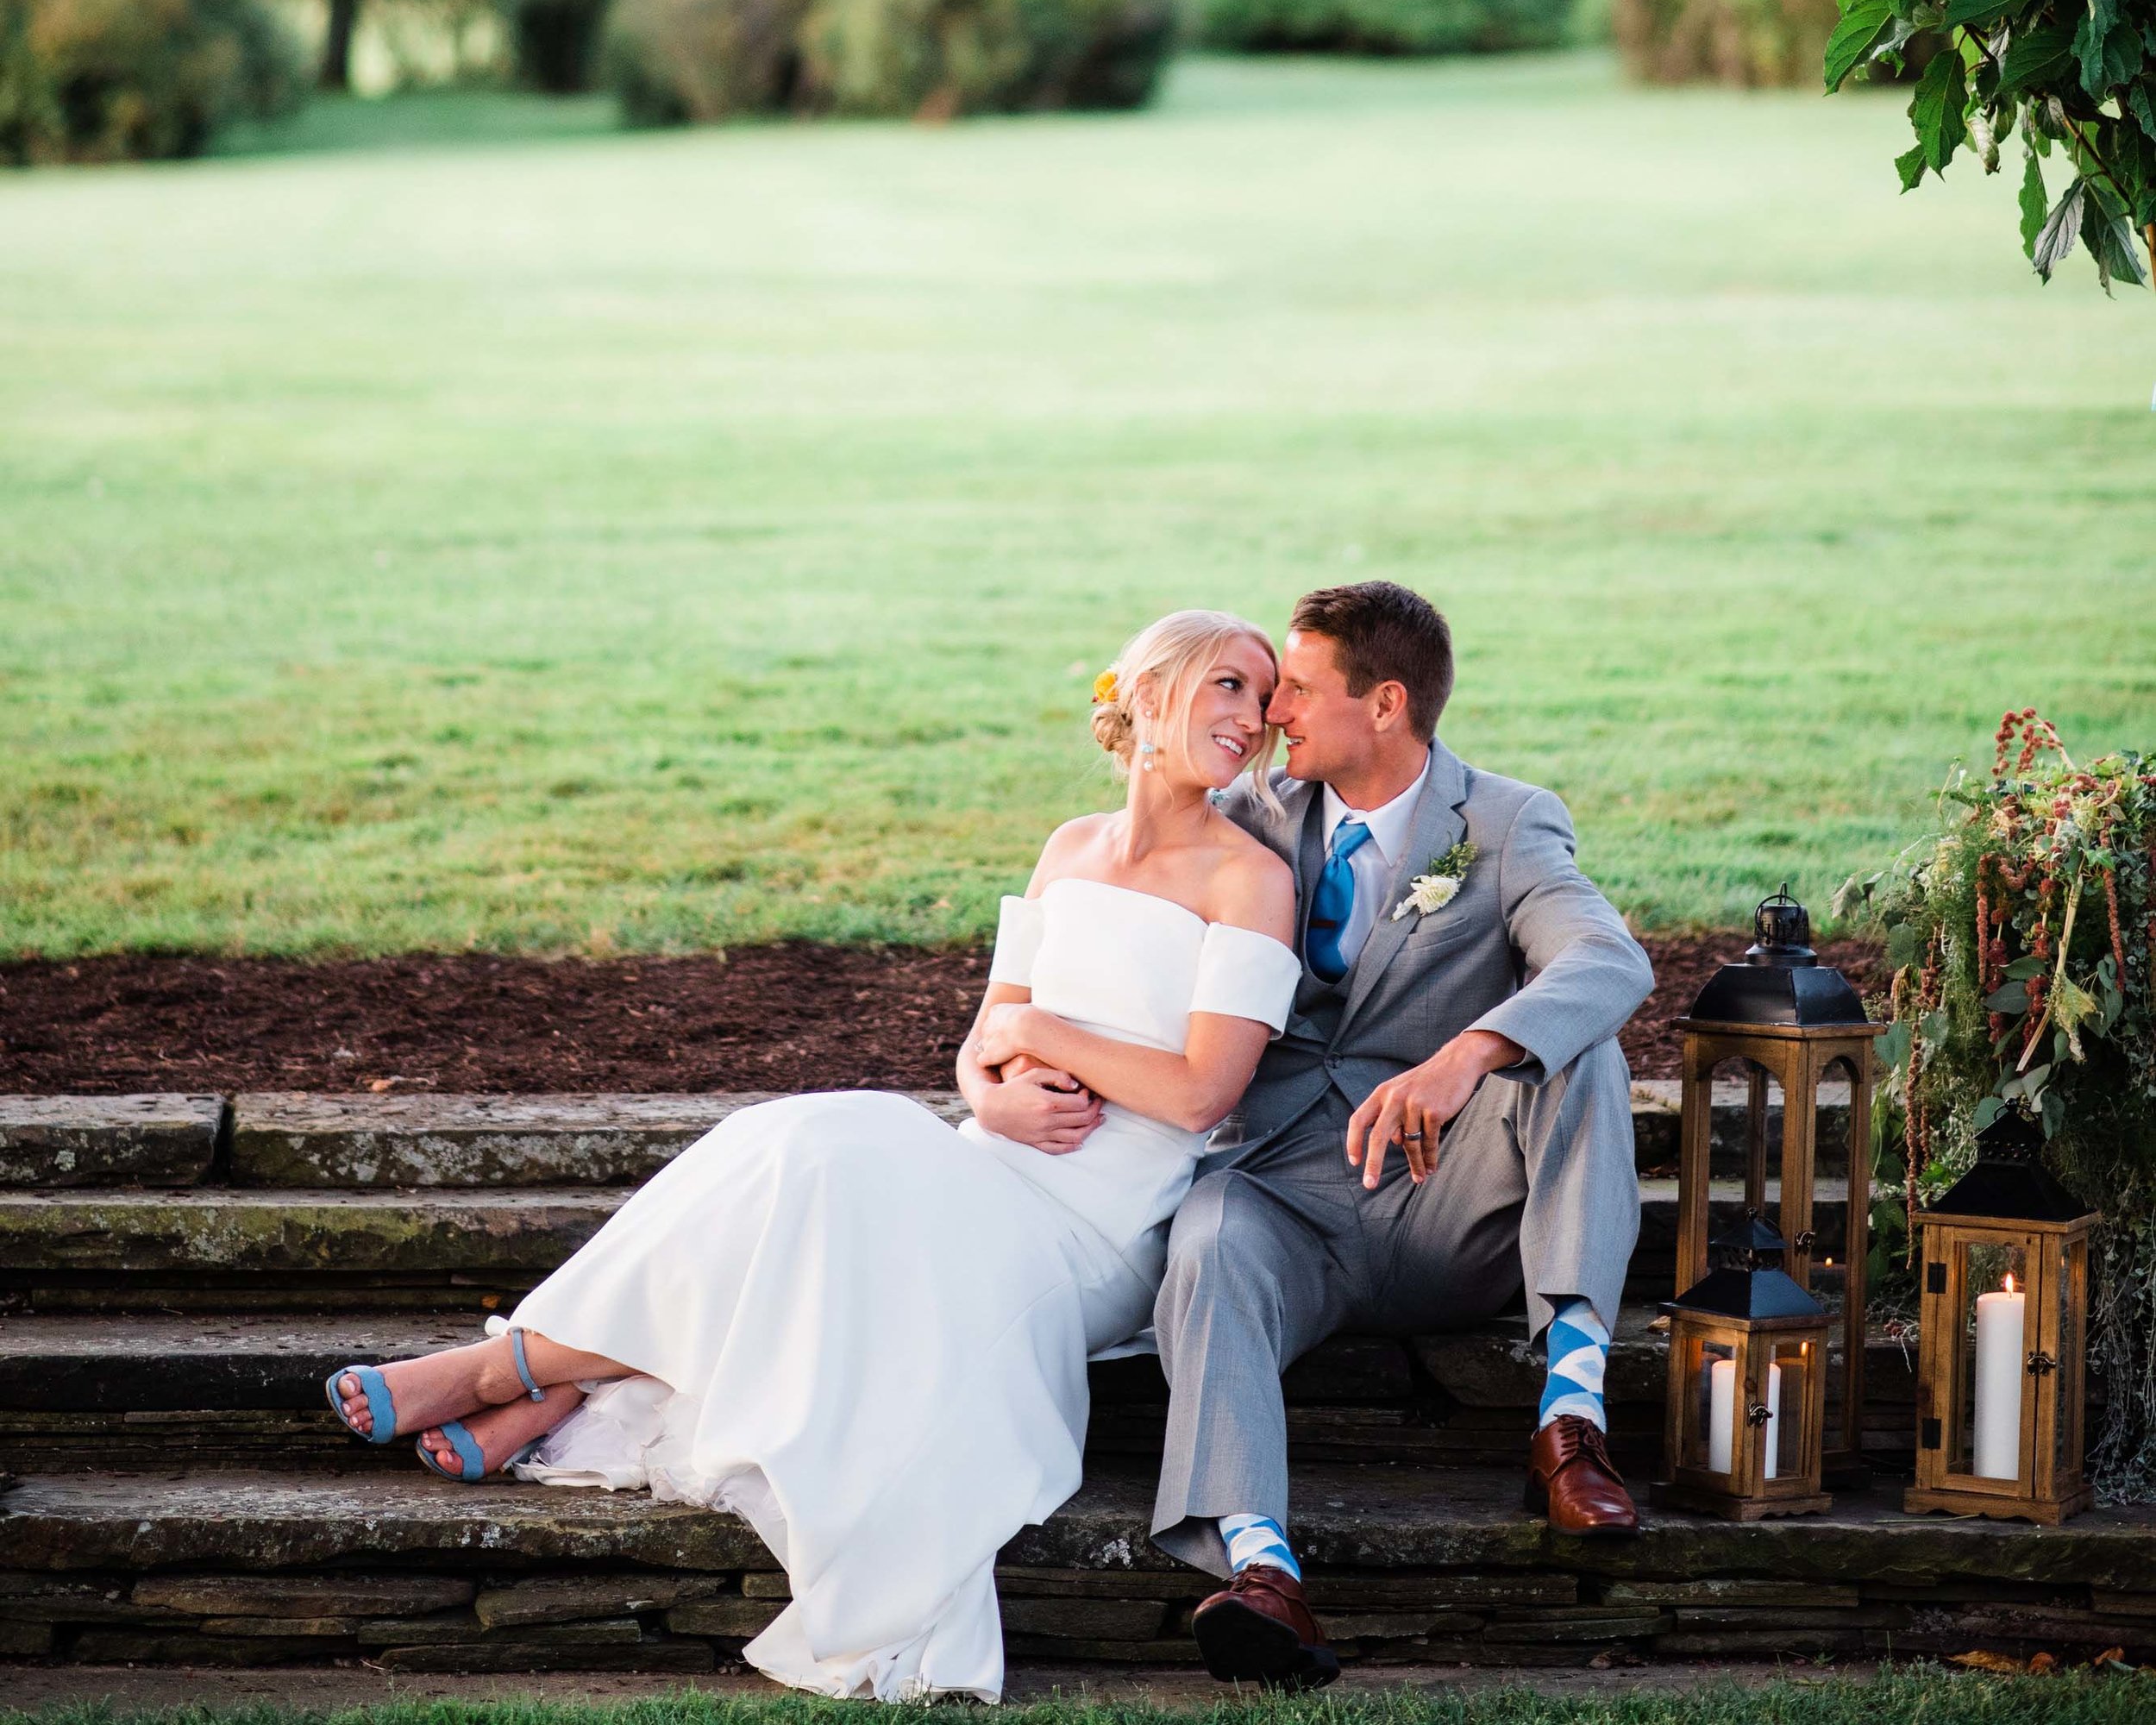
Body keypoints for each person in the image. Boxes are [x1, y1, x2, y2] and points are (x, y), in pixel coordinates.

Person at [323, 609, 1300, 1705]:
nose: (1251, 717)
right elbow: (984, 1039)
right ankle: (558, 1383)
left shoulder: (1248, 878)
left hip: (1094, 1228)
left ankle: (509, 1372)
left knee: (842, 1162)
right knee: (804, 1137)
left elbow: (1202, 1090)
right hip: (988, 1159)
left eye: (1262, 698)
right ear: (1153, 692)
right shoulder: (1070, 846)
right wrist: (993, 1088)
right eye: (1227, 684)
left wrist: (1043, 1042)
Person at [1153, 578, 1653, 1690]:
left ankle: (1568, 1418)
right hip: (1289, 1194)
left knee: (1583, 1051)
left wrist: (1468, 1051)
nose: (1273, 709)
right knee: (1207, 1232)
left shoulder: (1504, 824)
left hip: (1449, 1204)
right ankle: (1258, 1567)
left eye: (1296, 689)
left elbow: (1610, 962)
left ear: (1384, 704)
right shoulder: (1246, 820)